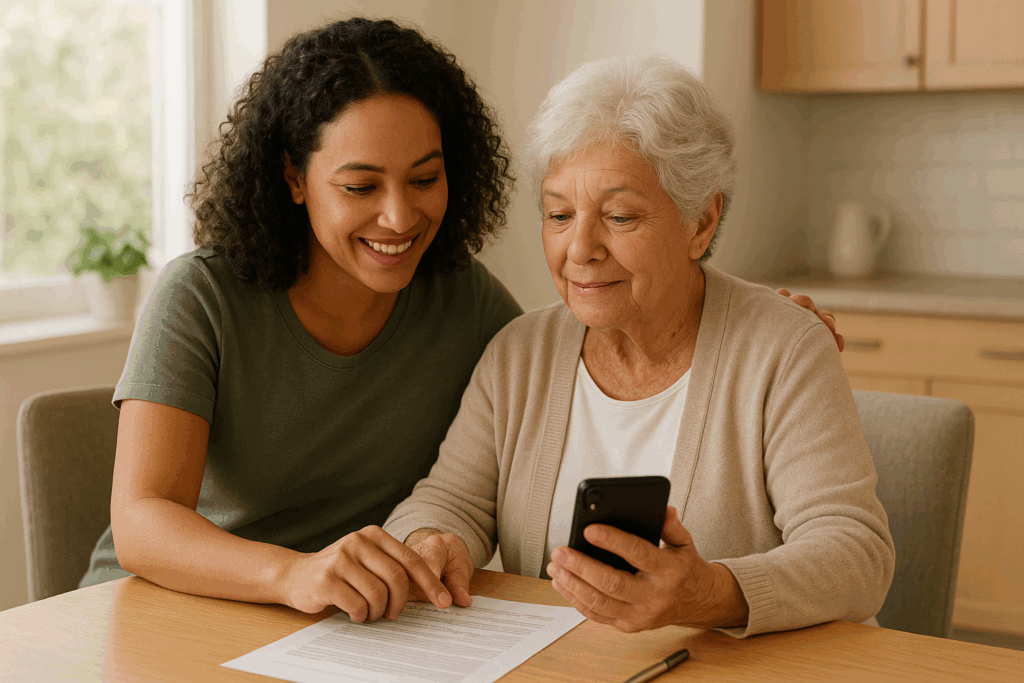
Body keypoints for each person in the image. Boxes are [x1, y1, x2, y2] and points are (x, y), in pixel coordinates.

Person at [80, 18, 842, 623]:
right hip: (177, 606)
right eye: (359, 184)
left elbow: (583, 347)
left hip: (351, 622)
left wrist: (764, 328)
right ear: (293, 178)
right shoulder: (201, 296)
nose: (399, 215)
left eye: (425, 178)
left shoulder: (465, 302)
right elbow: (143, 518)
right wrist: (298, 569)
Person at [384, 54, 894, 638]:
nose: (580, 248)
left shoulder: (785, 347)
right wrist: (429, 541)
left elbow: (858, 555)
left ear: (700, 222)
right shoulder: (519, 352)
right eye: (558, 214)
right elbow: (448, 500)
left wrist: (713, 595)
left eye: (620, 217)